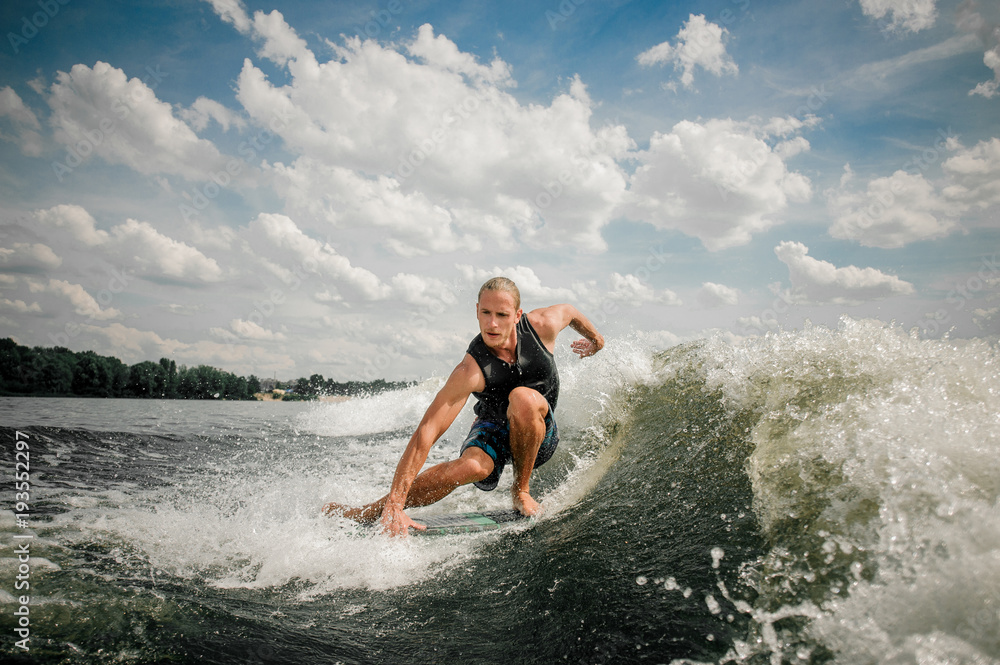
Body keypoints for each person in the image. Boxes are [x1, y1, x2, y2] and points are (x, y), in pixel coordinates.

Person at [322, 276, 605, 536]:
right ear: (477, 310)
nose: (492, 324)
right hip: (492, 425)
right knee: (469, 466)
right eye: (485, 313)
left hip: (538, 431)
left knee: (523, 398)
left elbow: (570, 311)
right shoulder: (471, 369)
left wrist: (596, 340)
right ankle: (370, 512)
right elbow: (428, 430)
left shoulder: (541, 326)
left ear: (517, 315)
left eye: (502, 315)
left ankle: (521, 490)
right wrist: (395, 501)